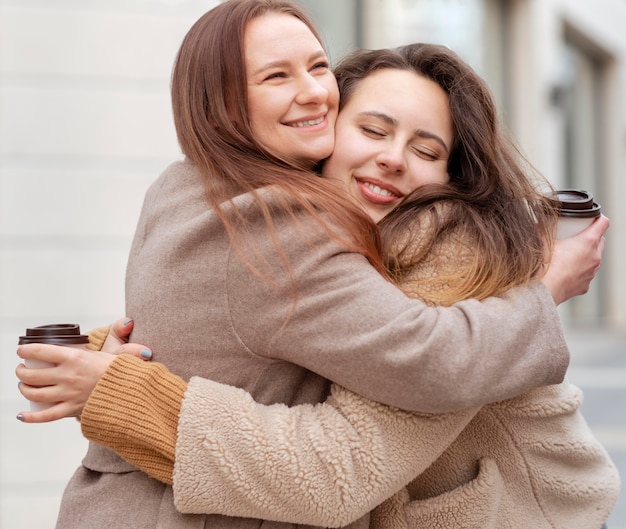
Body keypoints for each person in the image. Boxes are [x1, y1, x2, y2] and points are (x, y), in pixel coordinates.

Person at [15, 2, 610, 529]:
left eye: (428, 150)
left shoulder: (443, 246)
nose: (392, 159)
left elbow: (347, 461)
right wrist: (112, 363)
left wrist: (543, 286)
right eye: (372, 129)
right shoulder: (266, 214)